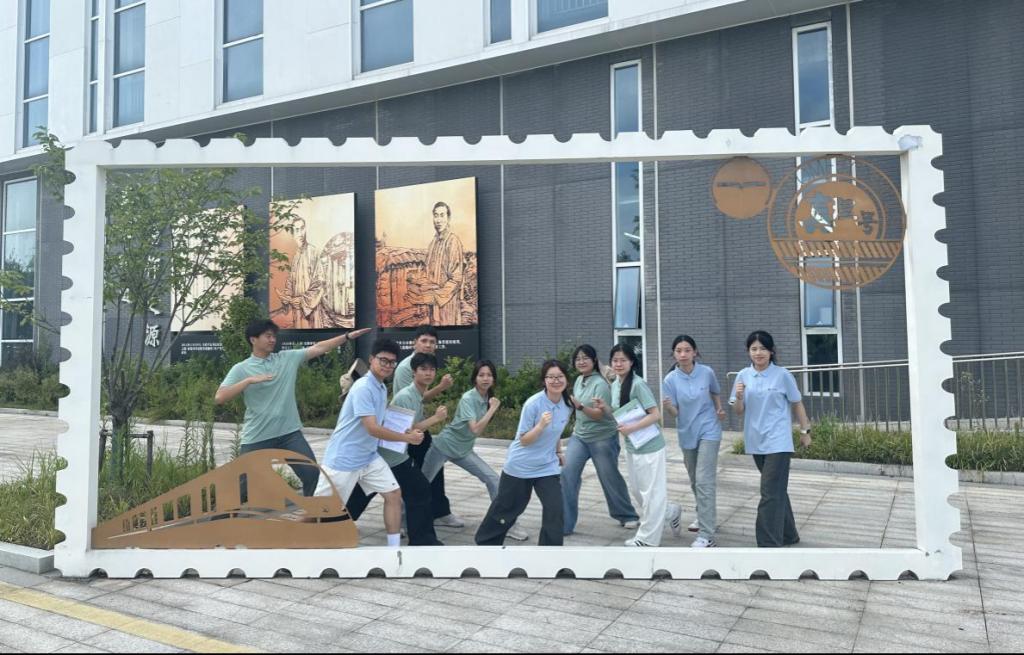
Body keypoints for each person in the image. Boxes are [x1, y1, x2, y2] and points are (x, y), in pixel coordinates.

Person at [215, 320, 371, 496]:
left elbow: (319, 348)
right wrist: (248, 381)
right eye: (268, 336)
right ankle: (223, 513)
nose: (273, 340)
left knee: (312, 475)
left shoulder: (286, 358)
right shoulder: (241, 369)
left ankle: (313, 512)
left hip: (289, 434)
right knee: (242, 485)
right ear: (253, 339)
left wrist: (347, 336)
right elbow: (220, 397)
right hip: (258, 435)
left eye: (274, 336)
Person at [314, 338, 425, 548]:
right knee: (320, 512)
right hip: (343, 460)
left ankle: (393, 550)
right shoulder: (364, 387)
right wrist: (406, 438)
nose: (387, 366)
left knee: (393, 494)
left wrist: (406, 430)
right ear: (371, 359)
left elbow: (380, 423)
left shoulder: (380, 387)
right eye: (383, 360)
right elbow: (372, 428)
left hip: (368, 457)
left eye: (392, 362)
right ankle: (286, 539)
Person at [344, 352, 447, 545]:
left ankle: (335, 523)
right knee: (420, 489)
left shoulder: (416, 394)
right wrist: (436, 418)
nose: (428, 373)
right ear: (413, 372)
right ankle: (422, 541)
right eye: (423, 369)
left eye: (432, 369)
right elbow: (405, 430)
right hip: (392, 456)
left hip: (389, 454)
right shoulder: (406, 396)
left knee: (363, 493)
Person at [422, 360, 529, 541]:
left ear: (494, 379)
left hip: (464, 450)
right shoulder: (468, 398)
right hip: (444, 446)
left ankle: (506, 524)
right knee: (421, 485)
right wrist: (492, 409)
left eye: (489, 375)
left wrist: (491, 406)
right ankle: (403, 523)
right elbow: (476, 430)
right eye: (481, 375)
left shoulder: (487, 398)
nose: (485, 378)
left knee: (494, 479)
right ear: (475, 378)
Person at [729, 330, 813, 548]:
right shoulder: (743, 376)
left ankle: (768, 543)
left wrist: (805, 432)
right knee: (776, 490)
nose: (759, 353)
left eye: (763, 348)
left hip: (779, 440)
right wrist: (738, 397)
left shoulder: (782, 375)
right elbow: (738, 410)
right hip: (755, 440)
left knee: (769, 492)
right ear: (748, 351)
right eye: (754, 349)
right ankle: (789, 534)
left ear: (771, 351)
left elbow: (797, 403)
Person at [475, 360, 571, 546]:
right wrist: (540, 425)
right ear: (544, 381)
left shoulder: (567, 404)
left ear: (566, 379)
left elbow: (557, 431)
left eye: (560, 376)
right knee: (508, 509)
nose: (556, 381)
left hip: (547, 466)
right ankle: (486, 544)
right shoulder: (533, 404)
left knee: (555, 508)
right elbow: (524, 440)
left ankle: (550, 552)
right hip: (521, 465)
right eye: (551, 377)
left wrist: (558, 451)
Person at [594, 344, 682, 547]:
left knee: (651, 494)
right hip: (633, 445)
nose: (618, 364)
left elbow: (655, 414)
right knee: (637, 490)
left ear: (631, 362)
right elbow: (622, 414)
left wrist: (631, 429)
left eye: (623, 360)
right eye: (615, 360)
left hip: (650, 446)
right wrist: (605, 408)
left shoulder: (638, 384)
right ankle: (670, 511)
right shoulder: (616, 384)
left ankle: (647, 539)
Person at [561, 344, 639, 536]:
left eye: (585, 358)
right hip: (580, 436)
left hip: (602, 438)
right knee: (567, 474)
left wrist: (580, 407)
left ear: (594, 360)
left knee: (609, 477)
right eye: (578, 358)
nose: (581, 361)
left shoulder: (600, 383)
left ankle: (627, 515)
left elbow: (599, 414)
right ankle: (565, 523)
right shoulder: (579, 380)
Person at [392, 325, 461, 528]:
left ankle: (439, 512)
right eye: (424, 341)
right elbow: (409, 400)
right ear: (414, 342)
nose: (428, 345)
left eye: (432, 342)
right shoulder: (406, 368)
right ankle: (403, 520)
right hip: (405, 430)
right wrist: (440, 389)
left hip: (418, 427)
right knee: (408, 476)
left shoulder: (425, 364)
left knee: (433, 467)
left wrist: (440, 387)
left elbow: (420, 398)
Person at [661, 335, 725, 548]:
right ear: (674, 354)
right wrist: (668, 407)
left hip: (709, 428)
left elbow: (715, 392)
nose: (683, 354)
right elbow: (675, 413)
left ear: (695, 352)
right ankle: (704, 514)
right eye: (679, 351)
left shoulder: (707, 372)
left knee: (704, 480)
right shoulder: (670, 380)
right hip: (687, 432)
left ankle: (707, 534)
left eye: (687, 350)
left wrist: (718, 408)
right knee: (695, 480)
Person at [404, 201, 465, 326]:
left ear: (448, 218)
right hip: (432, 306)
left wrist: (435, 297)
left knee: (447, 331)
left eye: (442, 215)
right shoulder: (433, 243)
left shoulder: (453, 241)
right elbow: (427, 273)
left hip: (447, 305)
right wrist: (416, 282)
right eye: (436, 215)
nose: (438, 220)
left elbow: (456, 279)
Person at [276, 218, 325, 329]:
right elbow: (290, 281)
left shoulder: (313, 252)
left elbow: (320, 282)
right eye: (297, 230)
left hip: (311, 309)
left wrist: (303, 300)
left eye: (302, 228)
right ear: (293, 233)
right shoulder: (296, 257)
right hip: (297, 309)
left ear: (306, 229)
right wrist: (287, 296)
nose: (300, 233)